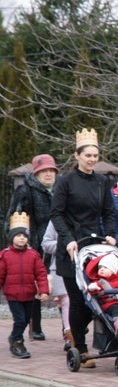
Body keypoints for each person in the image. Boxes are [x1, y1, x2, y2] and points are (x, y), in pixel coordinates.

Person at [50, 128, 117, 368]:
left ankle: (81, 335)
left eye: (95, 156)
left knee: (96, 297)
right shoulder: (65, 182)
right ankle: (81, 346)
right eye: (87, 155)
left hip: (93, 247)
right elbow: (56, 214)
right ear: (77, 156)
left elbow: (109, 212)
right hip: (71, 247)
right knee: (78, 300)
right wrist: (68, 238)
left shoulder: (102, 182)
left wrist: (109, 235)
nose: (91, 159)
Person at [5, 153, 58, 341]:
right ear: (36, 173)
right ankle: (35, 326)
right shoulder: (25, 190)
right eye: (44, 171)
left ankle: (67, 328)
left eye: (52, 170)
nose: (49, 174)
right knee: (34, 286)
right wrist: (23, 241)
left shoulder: (59, 190)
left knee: (58, 284)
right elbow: (15, 218)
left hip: (57, 244)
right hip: (34, 245)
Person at [1, 212, 50, 358]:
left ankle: (15, 338)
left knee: (27, 318)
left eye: (24, 236)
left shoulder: (33, 254)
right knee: (20, 320)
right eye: (18, 235)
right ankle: (17, 341)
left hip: (29, 294)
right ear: (11, 237)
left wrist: (44, 291)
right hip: (13, 295)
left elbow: (41, 274)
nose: (22, 238)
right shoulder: (5, 255)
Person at [41, 221, 70, 350]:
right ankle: (69, 335)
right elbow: (46, 244)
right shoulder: (55, 222)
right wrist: (65, 245)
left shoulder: (85, 215)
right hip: (60, 267)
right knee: (66, 302)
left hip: (82, 266)